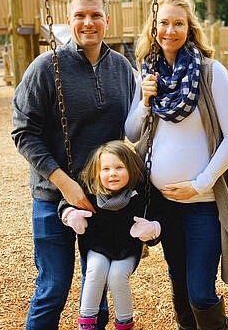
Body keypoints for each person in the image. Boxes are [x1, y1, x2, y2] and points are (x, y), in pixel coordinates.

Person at [125, 0, 228, 330]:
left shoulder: (211, 73)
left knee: (200, 291)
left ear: (190, 28)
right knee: (179, 285)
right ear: (153, 27)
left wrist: (201, 182)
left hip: (203, 202)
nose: (170, 30)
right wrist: (144, 101)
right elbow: (132, 133)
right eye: (163, 23)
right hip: (165, 204)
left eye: (178, 23)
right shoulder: (149, 75)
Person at [11, 0, 136, 330]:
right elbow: (23, 131)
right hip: (54, 196)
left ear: (107, 20)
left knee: (98, 287)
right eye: (80, 15)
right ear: (69, 20)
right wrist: (64, 182)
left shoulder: (123, 69)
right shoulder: (44, 67)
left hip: (103, 199)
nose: (88, 22)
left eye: (95, 15)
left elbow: (139, 124)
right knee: (54, 287)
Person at [58, 140, 161, 330]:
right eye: (106, 169)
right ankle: (87, 323)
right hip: (97, 245)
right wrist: (70, 214)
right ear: (97, 173)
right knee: (96, 269)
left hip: (127, 249)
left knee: (117, 275)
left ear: (130, 168)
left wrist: (153, 227)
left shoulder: (140, 191)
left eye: (119, 167)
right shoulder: (89, 188)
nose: (112, 173)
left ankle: (124, 324)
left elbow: (159, 212)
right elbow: (65, 202)